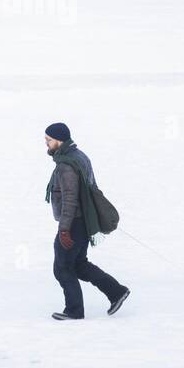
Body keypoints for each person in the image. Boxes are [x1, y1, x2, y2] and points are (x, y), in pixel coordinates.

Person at [43, 122, 130, 320]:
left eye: (49, 140)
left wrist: (64, 230)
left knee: (62, 268)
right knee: (79, 265)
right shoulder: (78, 155)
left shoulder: (66, 165)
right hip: (82, 223)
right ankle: (116, 292)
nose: (46, 144)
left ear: (59, 140)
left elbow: (70, 200)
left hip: (73, 223)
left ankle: (74, 311)